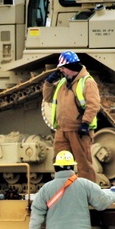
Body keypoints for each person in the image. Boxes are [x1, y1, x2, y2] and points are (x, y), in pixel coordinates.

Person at [43, 50, 101, 182]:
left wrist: (85, 123)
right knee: (59, 163)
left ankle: (88, 194)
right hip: (62, 130)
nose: (61, 71)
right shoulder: (63, 83)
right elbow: (47, 98)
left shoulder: (87, 82)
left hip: (78, 131)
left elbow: (93, 105)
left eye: (62, 68)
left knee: (84, 164)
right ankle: (64, 191)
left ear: (70, 67)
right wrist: (48, 83)